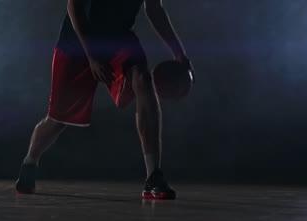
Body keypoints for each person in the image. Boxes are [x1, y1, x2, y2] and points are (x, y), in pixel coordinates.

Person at [16, 0, 194, 199]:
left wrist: (179, 53)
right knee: (57, 120)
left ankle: (154, 176)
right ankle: (30, 162)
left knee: (144, 80)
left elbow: (154, 9)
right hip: (78, 42)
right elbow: (74, 6)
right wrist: (92, 56)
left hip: (119, 38)